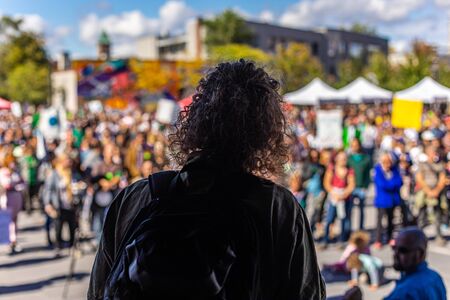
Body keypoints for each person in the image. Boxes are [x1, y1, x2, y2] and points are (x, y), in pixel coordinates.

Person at [88, 60, 326, 299]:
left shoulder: (136, 197)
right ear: (267, 131)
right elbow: (306, 293)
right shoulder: (275, 207)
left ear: (196, 118)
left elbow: (100, 290)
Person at [384, 227, 446, 300]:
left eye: (403, 250)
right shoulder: (435, 277)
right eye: (394, 248)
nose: (395, 254)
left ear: (420, 253)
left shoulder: (405, 292)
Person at [322, 150, 355, 248]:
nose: (343, 160)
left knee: (344, 219)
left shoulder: (349, 170)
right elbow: (327, 183)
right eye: (341, 158)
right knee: (329, 218)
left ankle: (343, 239)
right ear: (336, 159)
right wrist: (334, 193)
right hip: (333, 197)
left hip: (345, 198)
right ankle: (326, 238)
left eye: (345, 158)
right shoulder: (331, 169)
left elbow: (351, 185)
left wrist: (344, 194)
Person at [415, 146, 447, 245]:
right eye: (432, 153)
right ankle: (418, 237)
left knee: (437, 215)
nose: (434, 155)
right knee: (422, 215)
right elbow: (419, 178)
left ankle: (438, 236)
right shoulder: (422, 165)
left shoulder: (440, 165)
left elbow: (442, 178)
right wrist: (428, 191)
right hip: (425, 192)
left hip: (437, 192)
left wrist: (436, 191)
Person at [373, 153, 403, 248]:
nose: (387, 164)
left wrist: (391, 184)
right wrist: (392, 185)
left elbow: (399, 182)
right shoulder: (378, 170)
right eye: (385, 162)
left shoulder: (394, 170)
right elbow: (382, 184)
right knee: (380, 221)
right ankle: (378, 240)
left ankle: (390, 237)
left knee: (391, 220)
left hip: (393, 199)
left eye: (389, 162)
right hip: (382, 200)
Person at [347, 138, 371, 230]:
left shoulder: (366, 158)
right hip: (351, 188)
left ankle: (361, 229)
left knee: (361, 210)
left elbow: (368, 174)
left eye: (356, 145)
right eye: (352, 145)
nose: (354, 147)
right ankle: (348, 230)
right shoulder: (349, 159)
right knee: (349, 210)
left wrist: (366, 186)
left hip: (361, 188)